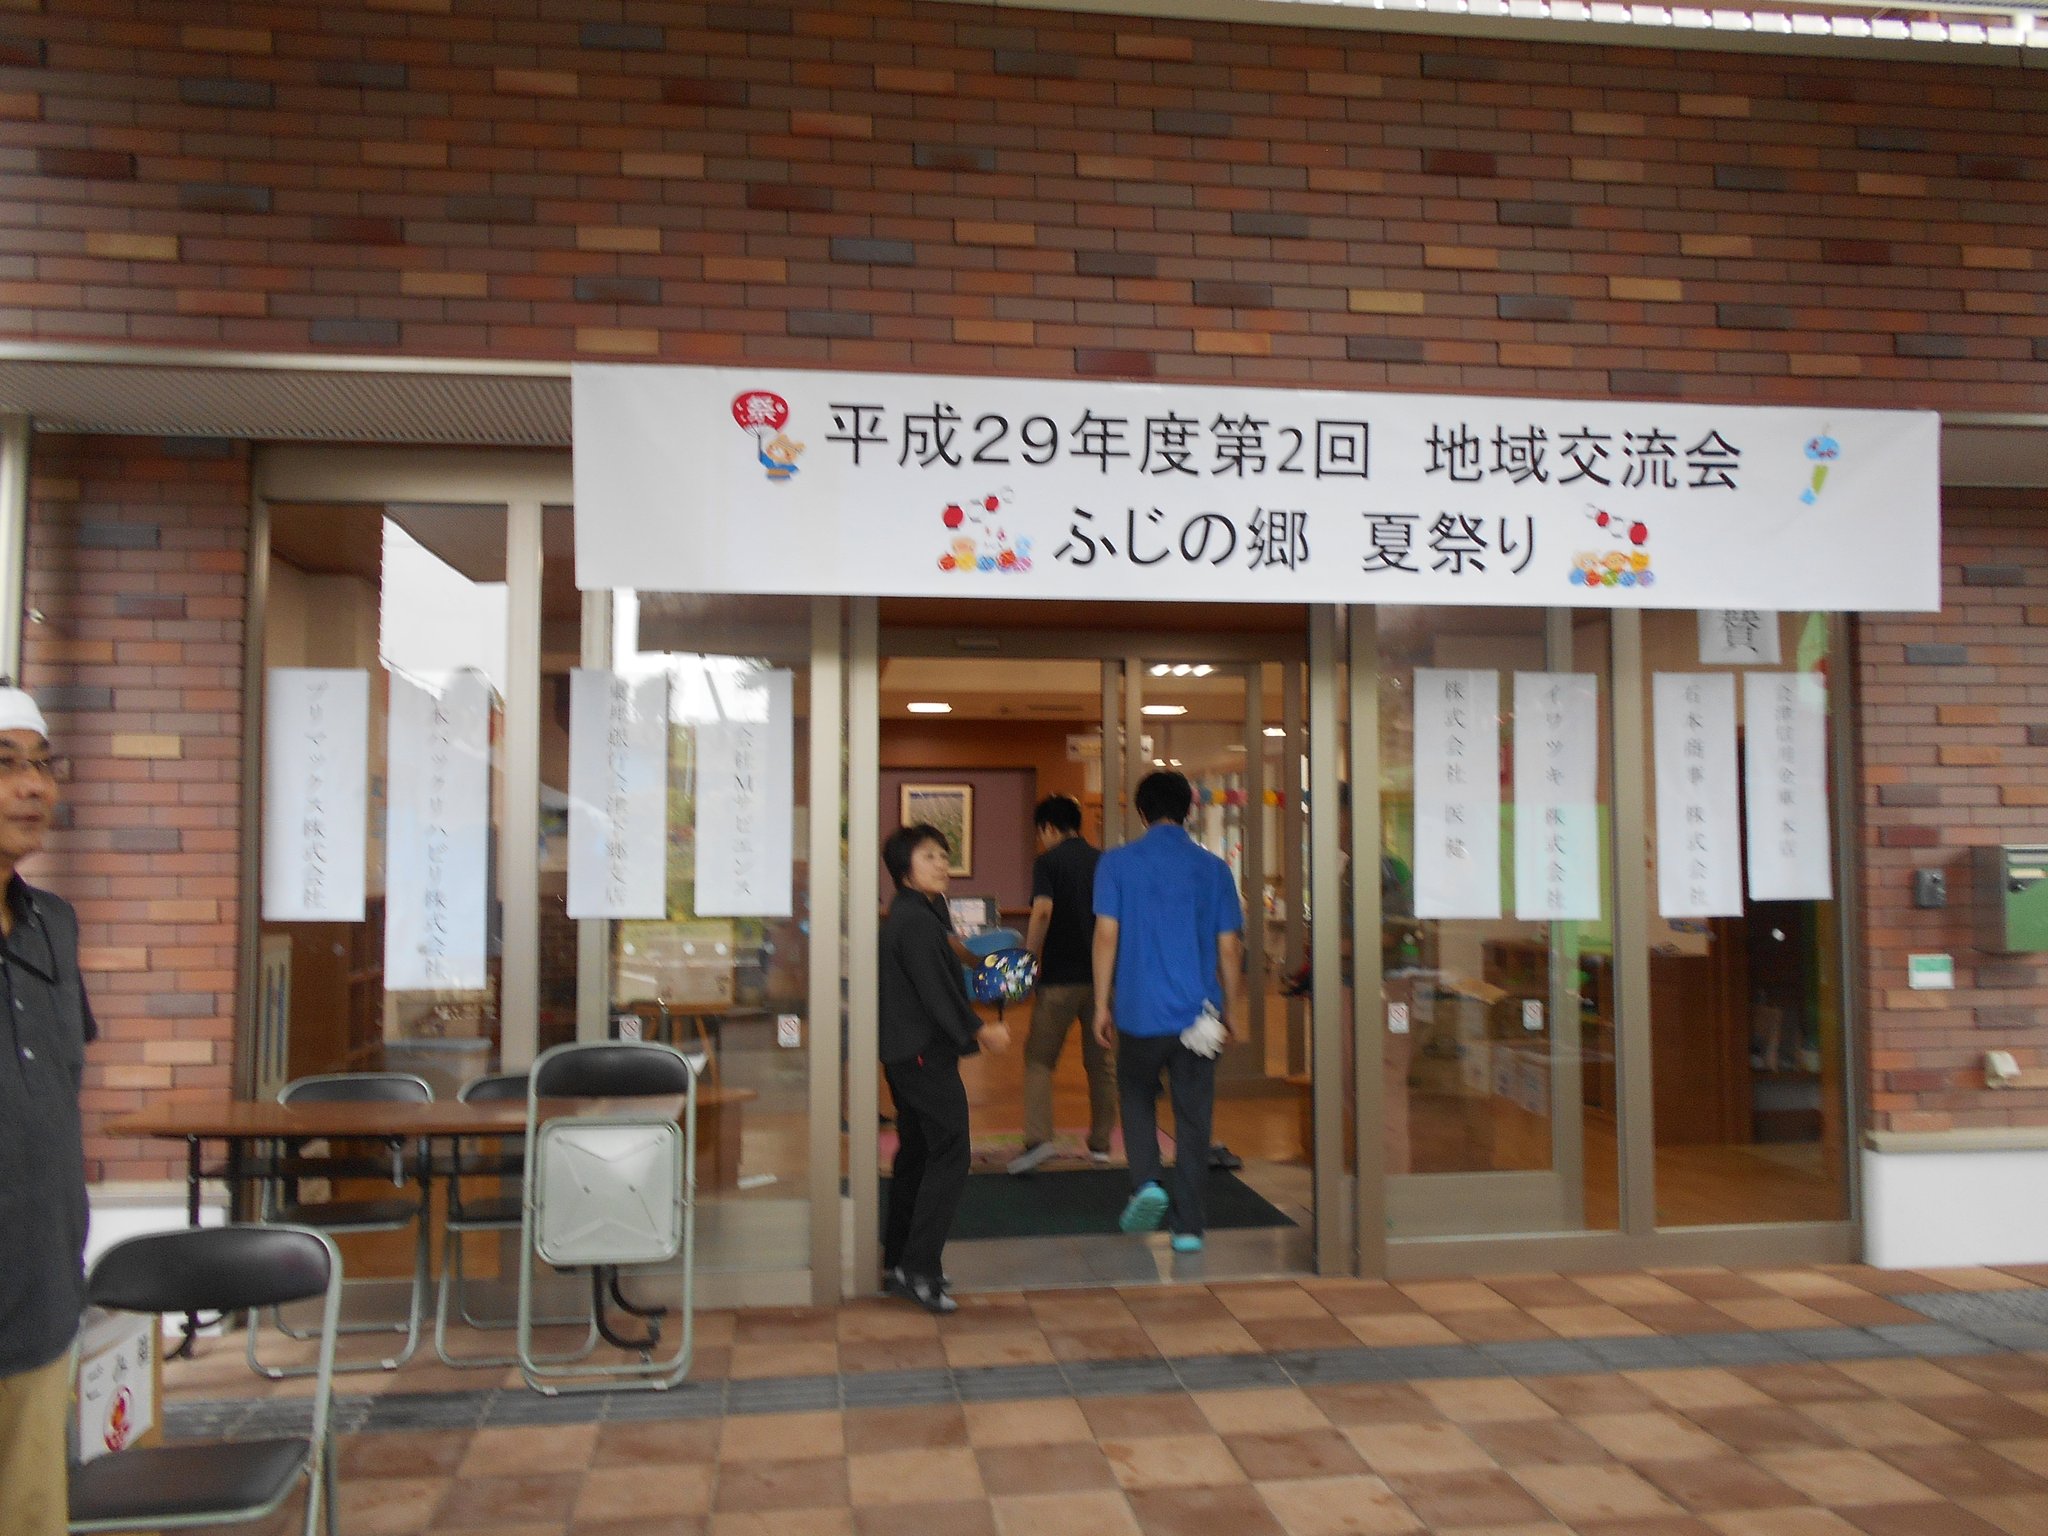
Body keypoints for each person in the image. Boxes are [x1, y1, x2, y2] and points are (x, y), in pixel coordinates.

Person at [0, 688, 95, 1536]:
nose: (32, 786)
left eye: (41, 764)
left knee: (32, 1512)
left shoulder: (52, 926)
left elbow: (62, 1086)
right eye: (5, 765)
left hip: (36, 1289)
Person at [1092, 770, 1244, 1255]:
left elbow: (1106, 936)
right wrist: (1233, 1009)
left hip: (1139, 1013)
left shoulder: (1116, 864)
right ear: (1189, 811)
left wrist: (1101, 1004)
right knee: (1194, 1119)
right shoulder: (1214, 869)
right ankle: (1188, 1228)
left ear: (1141, 813)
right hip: (1199, 1017)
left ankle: (1147, 1181)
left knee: (1136, 1095)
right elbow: (1229, 947)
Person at [879, 822, 1009, 1313]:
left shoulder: (919, 913)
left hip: (908, 1053)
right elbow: (935, 990)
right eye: (928, 856)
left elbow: (946, 966)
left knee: (916, 1153)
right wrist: (980, 1030)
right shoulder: (914, 921)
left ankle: (900, 1262)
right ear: (904, 870)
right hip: (920, 1054)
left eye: (942, 854)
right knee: (951, 1151)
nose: (941, 864)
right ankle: (920, 1270)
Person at [1008, 794, 1114, 1175]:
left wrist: (1029, 956)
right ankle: (1101, 1144)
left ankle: (1039, 1139)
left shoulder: (1048, 862)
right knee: (1101, 1064)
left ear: (1049, 828)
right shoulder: (1104, 861)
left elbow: (1042, 910)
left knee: (1039, 1060)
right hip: (1103, 981)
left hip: (1059, 979)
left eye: (1041, 833)